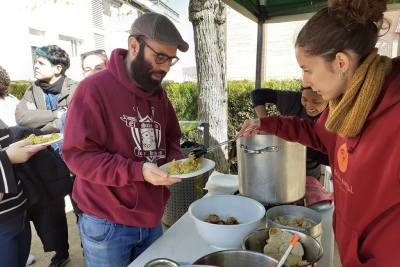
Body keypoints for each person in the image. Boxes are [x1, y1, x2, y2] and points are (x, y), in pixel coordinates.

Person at [237, 0, 400, 266]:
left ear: (340, 62)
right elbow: (317, 135)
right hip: (347, 251)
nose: (305, 83)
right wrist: (266, 124)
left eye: (308, 70)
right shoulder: (345, 105)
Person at [62, 12, 188, 266]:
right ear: (134, 46)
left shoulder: (159, 93)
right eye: (160, 57)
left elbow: (172, 138)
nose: (164, 67)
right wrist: (137, 170)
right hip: (107, 222)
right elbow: (79, 156)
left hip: (152, 218)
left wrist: (176, 162)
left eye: (170, 60)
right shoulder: (93, 89)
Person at [15, 45, 78, 267]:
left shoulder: (76, 89)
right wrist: (56, 115)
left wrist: (42, 123)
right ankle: (61, 253)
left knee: (80, 205)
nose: (35, 66)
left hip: (74, 158)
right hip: (45, 159)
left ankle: (90, 248)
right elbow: (22, 117)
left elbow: (73, 121)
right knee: (53, 209)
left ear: (58, 68)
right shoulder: (32, 89)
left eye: (40, 63)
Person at [251, 86, 329, 180]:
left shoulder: (333, 115)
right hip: (281, 171)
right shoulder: (293, 100)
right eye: (304, 99)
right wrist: (264, 122)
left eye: (316, 102)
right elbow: (258, 94)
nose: (309, 106)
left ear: (328, 100)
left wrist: (299, 141)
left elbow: (330, 158)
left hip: (309, 176)